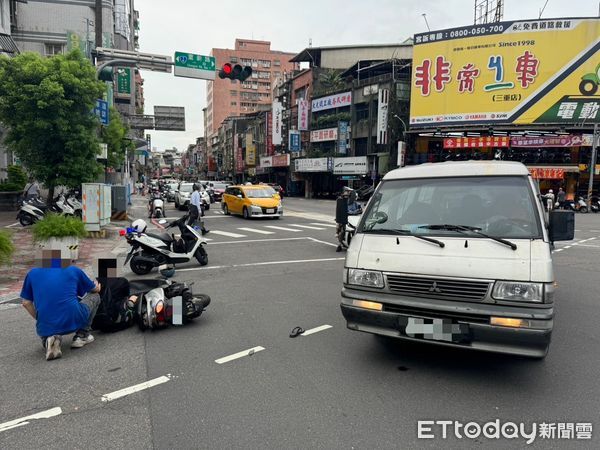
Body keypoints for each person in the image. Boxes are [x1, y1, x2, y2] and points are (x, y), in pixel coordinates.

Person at [20, 249, 101, 361]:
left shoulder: (32, 273)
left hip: (45, 324)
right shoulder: (73, 270)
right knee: (95, 296)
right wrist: (97, 286)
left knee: (47, 328)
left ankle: (50, 339)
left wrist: (39, 318)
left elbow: (26, 302)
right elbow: (94, 289)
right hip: (72, 318)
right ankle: (82, 335)